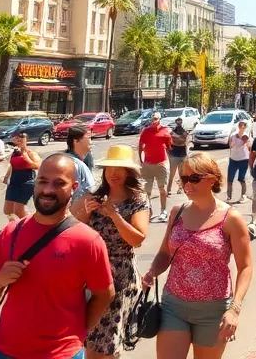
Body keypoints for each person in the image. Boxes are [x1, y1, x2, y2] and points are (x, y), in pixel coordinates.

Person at [0, 155, 115, 359]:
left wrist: (76, 333)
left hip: (60, 354)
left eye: (59, 183)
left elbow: (104, 294)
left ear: (74, 186)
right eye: (43, 181)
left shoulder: (88, 241)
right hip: (3, 351)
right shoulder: (11, 232)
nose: (48, 190)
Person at [142, 153, 254, 359]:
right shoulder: (177, 212)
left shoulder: (231, 218)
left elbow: (245, 266)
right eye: (184, 179)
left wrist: (235, 309)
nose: (187, 185)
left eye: (194, 178)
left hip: (214, 310)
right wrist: (153, 272)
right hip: (173, 305)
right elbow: (165, 253)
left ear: (212, 179)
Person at [74, 145, 150, 359]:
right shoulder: (94, 197)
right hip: (88, 275)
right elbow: (75, 234)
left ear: (129, 173)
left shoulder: (137, 200)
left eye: (120, 168)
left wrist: (114, 216)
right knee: (89, 339)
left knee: (106, 345)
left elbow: (137, 240)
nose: (114, 174)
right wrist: (86, 214)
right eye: (109, 168)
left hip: (118, 278)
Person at [139, 113, 173, 222]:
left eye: (156, 119)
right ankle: (149, 210)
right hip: (148, 165)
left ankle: (163, 211)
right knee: (146, 191)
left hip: (161, 164)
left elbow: (169, 147)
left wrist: (165, 161)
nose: (154, 121)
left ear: (159, 119)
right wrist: (141, 161)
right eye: (152, 119)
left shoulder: (165, 131)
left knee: (162, 189)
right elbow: (140, 146)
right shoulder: (146, 131)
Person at [3, 132, 41, 220]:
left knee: (18, 209)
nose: (19, 140)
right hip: (14, 182)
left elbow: (37, 166)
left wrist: (26, 157)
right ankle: (16, 224)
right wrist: (6, 177)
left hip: (26, 182)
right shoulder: (15, 153)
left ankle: (26, 226)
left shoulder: (30, 153)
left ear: (26, 140)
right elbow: (12, 166)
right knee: (8, 210)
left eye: (21, 138)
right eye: (16, 138)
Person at [64, 125, 97, 199]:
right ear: (76, 141)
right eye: (89, 138)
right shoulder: (74, 164)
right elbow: (90, 192)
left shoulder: (87, 158)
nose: (91, 142)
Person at [226, 119, 251, 202]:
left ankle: (243, 196)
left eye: (243, 125)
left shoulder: (247, 136)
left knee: (241, 178)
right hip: (233, 159)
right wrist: (236, 140)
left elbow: (249, 147)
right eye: (240, 124)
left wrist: (246, 141)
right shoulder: (233, 135)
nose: (242, 126)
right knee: (230, 178)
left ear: (245, 127)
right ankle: (229, 196)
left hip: (244, 159)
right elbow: (231, 145)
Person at [167, 117, 189, 195]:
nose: (179, 123)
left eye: (180, 122)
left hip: (182, 155)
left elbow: (183, 142)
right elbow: (180, 141)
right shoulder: (173, 132)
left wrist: (177, 139)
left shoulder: (182, 132)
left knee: (181, 173)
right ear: (176, 122)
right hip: (173, 155)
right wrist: (180, 139)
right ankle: (169, 189)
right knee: (172, 173)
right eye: (178, 122)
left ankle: (181, 188)